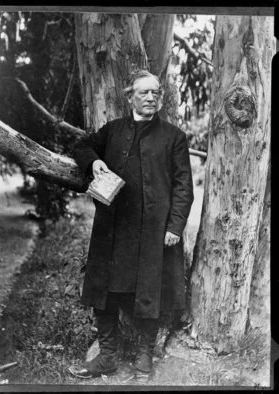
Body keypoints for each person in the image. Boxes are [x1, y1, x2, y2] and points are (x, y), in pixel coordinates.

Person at [72, 69, 194, 378]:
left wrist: (175, 227)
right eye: (144, 92)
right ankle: (107, 356)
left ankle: (144, 355)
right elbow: (82, 147)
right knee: (105, 289)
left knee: (149, 291)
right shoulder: (112, 130)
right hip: (113, 229)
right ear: (130, 97)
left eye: (156, 93)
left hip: (153, 230)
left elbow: (184, 187)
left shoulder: (173, 137)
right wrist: (94, 162)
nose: (151, 97)